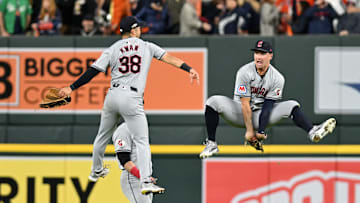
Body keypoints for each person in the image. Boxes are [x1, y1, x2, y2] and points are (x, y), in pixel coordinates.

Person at [58, 16, 200, 194]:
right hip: (131, 97)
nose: (140, 30)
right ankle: (147, 181)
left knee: (102, 135)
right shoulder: (146, 46)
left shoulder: (113, 48)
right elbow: (168, 58)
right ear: (133, 30)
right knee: (142, 141)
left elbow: (93, 71)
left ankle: (95, 170)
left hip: (112, 95)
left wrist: (71, 88)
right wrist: (189, 68)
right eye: (139, 28)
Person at [199, 40, 336, 158]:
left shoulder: (277, 78)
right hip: (239, 112)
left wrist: (261, 132)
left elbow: (268, 106)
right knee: (213, 101)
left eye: (263, 53)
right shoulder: (244, 72)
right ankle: (211, 143)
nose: (259, 56)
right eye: (256, 53)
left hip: (262, 115)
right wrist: (249, 131)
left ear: (270, 55)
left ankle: (312, 131)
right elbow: (245, 104)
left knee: (291, 105)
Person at [113, 123, 159, 202]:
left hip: (142, 178)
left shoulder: (138, 127)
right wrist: (142, 177)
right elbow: (124, 160)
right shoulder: (123, 130)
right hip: (132, 177)